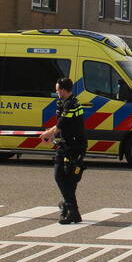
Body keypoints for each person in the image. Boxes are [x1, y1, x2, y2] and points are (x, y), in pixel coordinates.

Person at [40, 77, 87, 224]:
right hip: (68, 144)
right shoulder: (63, 103)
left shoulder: (71, 105)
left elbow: (61, 124)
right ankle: (69, 208)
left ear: (63, 90)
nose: (56, 93)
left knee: (61, 176)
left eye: (57, 90)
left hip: (74, 147)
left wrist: (47, 133)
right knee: (68, 179)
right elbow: (62, 126)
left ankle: (70, 209)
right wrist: (52, 135)